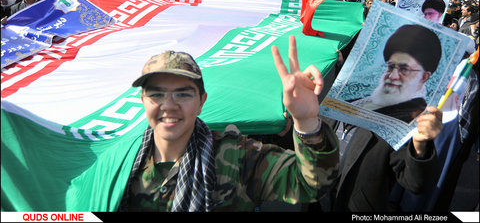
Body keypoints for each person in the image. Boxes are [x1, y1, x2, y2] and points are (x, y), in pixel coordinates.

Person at [118, 36, 339, 212]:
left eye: (183, 94)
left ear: (201, 102)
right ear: (142, 101)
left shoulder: (236, 156)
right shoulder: (120, 160)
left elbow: (310, 184)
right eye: (156, 94)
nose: (168, 105)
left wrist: (306, 121)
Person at [324, 24, 443, 212]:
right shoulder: (343, 98)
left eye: (404, 69)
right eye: (390, 66)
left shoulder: (407, 122)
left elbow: (417, 184)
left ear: (424, 77)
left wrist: (421, 147)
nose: (393, 76)